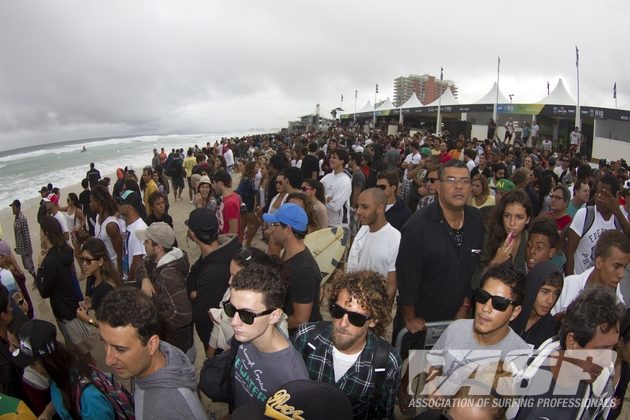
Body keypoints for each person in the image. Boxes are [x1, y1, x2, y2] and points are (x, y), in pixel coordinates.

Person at [395, 160, 483, 354]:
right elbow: (407, 276)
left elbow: (473, 269)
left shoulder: (477, 220)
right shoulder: (417, 227)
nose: (459, 186)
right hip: (422, 325)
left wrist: (464, 306)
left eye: (465, 181)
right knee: (416, 380)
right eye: (451, 180)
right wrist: (410, 317)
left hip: (459, 322)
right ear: (439, 186)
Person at [293, 271, 402, 419]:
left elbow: (382, 415)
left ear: (374, 321)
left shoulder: (386, 362)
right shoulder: (307, 337)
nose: (343, 324)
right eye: (338, 311)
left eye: (356, 318)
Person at [515, 287, 624, 419]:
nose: (607, 361)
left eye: (612, 348)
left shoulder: (602, 386)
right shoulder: (519, 374)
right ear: (572, 343)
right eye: (600, 350)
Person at [96, 287, 206, 419]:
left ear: (152, 344)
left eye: (120, 349)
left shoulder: (170, 410)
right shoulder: (157, 357)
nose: (108, 360)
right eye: (104, 343)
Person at [225, 263, 309, 409]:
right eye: (231, 309)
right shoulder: (247, 334)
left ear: (274, 316)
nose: (234, 322)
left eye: (247, 314)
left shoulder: (292, 377)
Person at [425, 266, 529, 381]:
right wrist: (432, 387)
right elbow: (433, 362)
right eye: (482, 296)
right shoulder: (456, 328)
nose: (485, 308)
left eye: (499, 303)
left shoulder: (520, 357)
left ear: (515, 312)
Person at [12, 319, 117, 420]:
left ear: (48, 363)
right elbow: (61, 396)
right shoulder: (58, 378)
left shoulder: (90, 400)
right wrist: (47, 413)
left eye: (33, 364)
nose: (32, 369)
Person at [206, 247, 285, 358]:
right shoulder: (233, 292)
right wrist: (210, 353)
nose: (229, 281)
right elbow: (219, 324)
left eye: (235, 276)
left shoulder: (275, 324)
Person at [36, 216, 96, 360]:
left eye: (41, 232)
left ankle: (92, 375)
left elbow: (44, 291)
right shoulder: (65, 250)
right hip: (71, 301)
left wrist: (39, 267)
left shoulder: (50, 261)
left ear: (46, 234)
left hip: (63, 309)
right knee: (83, 348)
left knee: (78, 349)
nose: (40, 235)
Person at [135, 223, 194, 360]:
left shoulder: (168, 276)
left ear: (159, 247)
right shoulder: (162, 259)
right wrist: (145, 278)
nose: (144, 244)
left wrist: (151, 311)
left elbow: (183, 315)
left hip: (178, 350)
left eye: (147, 241)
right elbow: (142, 263)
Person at [186, 208, 239, 350]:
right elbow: (193, 273)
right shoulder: (221, 251)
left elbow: (200, 313)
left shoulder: (213, 272)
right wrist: (193, 291)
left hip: (217, 343)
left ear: (192, 233)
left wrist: (193, 294)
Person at [263, 203, 321, 334]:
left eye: (275, 225)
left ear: (287, 229)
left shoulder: (304, 271)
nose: (272, 229)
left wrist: (267, 323)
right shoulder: (288, 254)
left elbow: (300, 319)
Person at [553, 230, 630, 316]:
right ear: (599, 262)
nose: (621, 274)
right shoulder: (567, 286)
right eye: (616, 266)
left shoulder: (618, 307)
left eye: (624, 267)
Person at [565, 174, 630, 275]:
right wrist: (571, 282)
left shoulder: (619, 221)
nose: (599, 197)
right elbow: (569, 253)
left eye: (604, 194)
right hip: (579, 283)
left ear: (616, 196)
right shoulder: (584, 214)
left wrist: (617, 211)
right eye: (598, 192)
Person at [347, 188, 400, 303]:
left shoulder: (395, 238)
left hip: (375, 308)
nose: (358, 211)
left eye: (365, 207)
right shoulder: (363, 229)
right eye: (358, 206)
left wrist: (379, 314)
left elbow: (392, 286)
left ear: (380, 208)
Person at [478, 189, 532, 281]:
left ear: (527, 219)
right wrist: (496, 262)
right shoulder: (489, 238)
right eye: (507, 216)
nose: (512, 223)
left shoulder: (531, 242)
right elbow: (475, 282)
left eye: (519, 217)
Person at [510, 261, 563, 348]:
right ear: (532, 288)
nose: (550, 300)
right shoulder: (508, 313)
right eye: (545, 291)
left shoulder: (552, 331)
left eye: (556, 293)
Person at [75, 238, 122, 330]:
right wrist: (91, 302)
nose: (84, 264)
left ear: (100, 261)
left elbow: (108, 326)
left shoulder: (106, 288)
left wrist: (87, 319)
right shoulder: (92, 277)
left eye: (88, 260)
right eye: (82, 259)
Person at [90, 186, 123, 274]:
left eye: (91, 201)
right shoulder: (98, 218)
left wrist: (119, 275)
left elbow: (119, 253)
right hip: (103, 268)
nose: (90, 204)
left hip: (113, 270)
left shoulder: (111, 225)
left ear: (99, 201)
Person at [117, 190, 147, 284]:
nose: (119, 206)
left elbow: (138, 260)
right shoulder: (130, 225)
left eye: (121, 203)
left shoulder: (139, 228)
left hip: (136, 281)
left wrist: (130, 281)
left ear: (130, 206)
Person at [321, 148, 352, 227]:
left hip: (338, 225)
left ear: (342, 161)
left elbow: (335, 206)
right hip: (325, 221)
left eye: (334, 158)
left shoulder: (345, 181)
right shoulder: (327, 177)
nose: (331, 160)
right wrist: (327, 198)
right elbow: (315, 191)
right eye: (330, 157)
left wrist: (321, 198)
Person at [212, 169, 242, 237]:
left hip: (228, 243)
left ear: (220, 184)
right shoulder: (233, 196)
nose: (213, 187)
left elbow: (233, 231)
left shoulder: (230, 203)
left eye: (213, 183)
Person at [10, 200, 35, 279]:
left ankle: (36, 280)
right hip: (22, 248)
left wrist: (27, 251)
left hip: (26, 249)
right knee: (27, 266)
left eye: (14, 208)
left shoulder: (22, 219)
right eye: (12, 208)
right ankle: (36, 279)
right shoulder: (17, 218)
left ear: (19, 208)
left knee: (29, 266)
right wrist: (18, 247)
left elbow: (26, 235)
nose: (13, 210)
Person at [235, 161, 259, 246]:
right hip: (246, 207)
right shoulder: (246, 179)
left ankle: (239, 245)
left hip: (247, 206)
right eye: (256, 167)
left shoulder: (250, 179)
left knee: (242, 228)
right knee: (256, 224)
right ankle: (248, 244)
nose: (258, 168)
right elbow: (238, 191)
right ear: (251, 169)